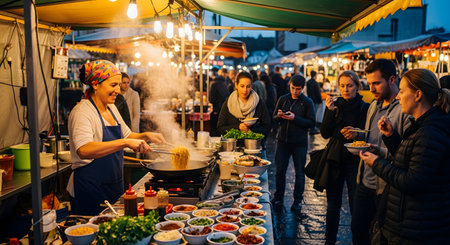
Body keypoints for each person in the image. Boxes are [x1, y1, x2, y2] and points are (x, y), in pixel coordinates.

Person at [360, 68, 450, 244]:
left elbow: (413, 181)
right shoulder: (421, 125)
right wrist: (391, 137)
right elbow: (411, 159)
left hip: (418, 227)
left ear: (417, 95)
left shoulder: (430, 132)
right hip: (410, 222)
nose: (399, 97)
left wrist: (376, 163)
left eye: (402, 91)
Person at [68, 60, 165, 215]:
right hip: (90, 189)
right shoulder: (82, 112)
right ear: (95, 84)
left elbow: (127, 135)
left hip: (113, 186)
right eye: (113, 85)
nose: (118, 91)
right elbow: (84, 150)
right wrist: (125, 142)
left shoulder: (111, 108)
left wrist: (146, 136)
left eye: (119, 85)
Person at [344, 59, 411, 245]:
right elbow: (370, 138)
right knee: (357, 230)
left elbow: (406, 153)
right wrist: (357, 136)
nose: (371, 88)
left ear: (392, 79)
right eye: (369, 83)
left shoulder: (404, 110)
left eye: (376, 83)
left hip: (387, 186)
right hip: (364, 180)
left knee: (380, 235)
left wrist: (379, 152)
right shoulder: (374, 105)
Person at [320, 71, 369, 244]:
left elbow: (368, 135)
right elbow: (325, 133)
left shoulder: (365, 107)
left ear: (357, 86)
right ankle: (329, 241)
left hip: (355, 162)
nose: (345, 89)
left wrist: (357, 135)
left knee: (357, 206)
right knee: (333, 205)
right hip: (335, 159)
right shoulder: (335, 105)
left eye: (349, 85)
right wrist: (329, 111)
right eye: (342, 86)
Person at [272, 75, 315, 211]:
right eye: (293, 88)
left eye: (298, 89)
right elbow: (273, 118)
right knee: (280, 171)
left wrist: (295, 118)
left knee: (300, 173)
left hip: (299, 142)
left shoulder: (307, 102)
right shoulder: (283, 99)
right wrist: (279, 116)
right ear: (289, 85)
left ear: (303, 88)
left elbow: (311, 123)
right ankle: (278, 197)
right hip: (283, 141)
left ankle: (297, 201)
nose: (295, 91)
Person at [217, 71, 270, 137]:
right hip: (233, 144)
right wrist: (238, 127)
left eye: (248, 86)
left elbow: (267, 126)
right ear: (236, 85)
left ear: (251, 86)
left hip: (253, 144)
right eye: (242, 86)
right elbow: (220, 128)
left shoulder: (259, 102)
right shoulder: (228, 103)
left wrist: (251, 131)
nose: (245, 90)